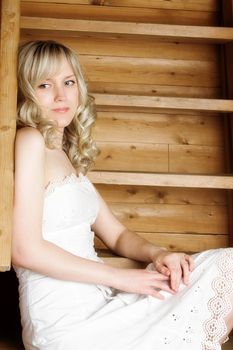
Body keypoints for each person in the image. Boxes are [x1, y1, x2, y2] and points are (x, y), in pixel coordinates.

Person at [12, 40, 233, 350]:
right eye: (45, 84)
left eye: (69, 82)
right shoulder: (29, 141)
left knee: (227, 265)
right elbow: (24, 250)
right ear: (27, 92)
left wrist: (158, 254)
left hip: (103, 301)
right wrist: (120, 278)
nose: (61, 95)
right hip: (64, 320)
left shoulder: (64, 154)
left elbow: (116, 235)